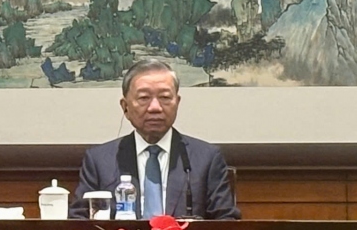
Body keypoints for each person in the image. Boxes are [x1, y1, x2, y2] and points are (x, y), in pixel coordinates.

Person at [71, 58, 240, 220]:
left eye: (165, 97)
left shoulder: (206, 158)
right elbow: (79, 221)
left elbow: (226, 222)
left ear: (177, 103)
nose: (155, 107)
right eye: (144, 98)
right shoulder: (100, 161)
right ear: (125, 107)